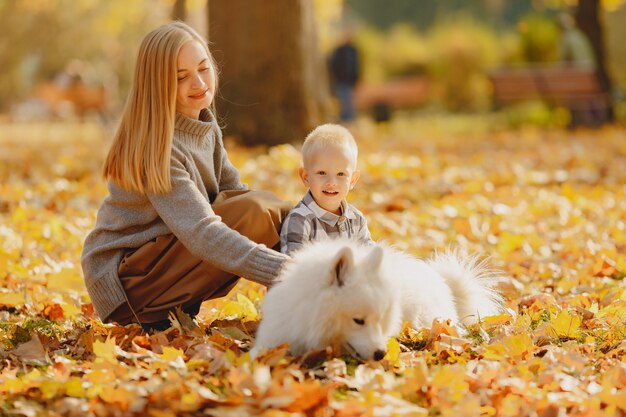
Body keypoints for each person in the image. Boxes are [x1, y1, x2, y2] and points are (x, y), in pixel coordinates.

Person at [81, 22, 292, 332]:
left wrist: (306, 229)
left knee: (267, 209)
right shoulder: (156, 148)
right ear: (157, 84)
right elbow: (203, 232)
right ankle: (153, 315)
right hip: (128, 285)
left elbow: (239, 197)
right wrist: (288, 270)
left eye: (203, 68)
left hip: (160, 265)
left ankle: (310, 293)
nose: (198, 83)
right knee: (255, 211)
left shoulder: (205, 128)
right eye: (181, 77)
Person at [280, 124, 373, 255]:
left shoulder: (356, 219)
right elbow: (295, 268)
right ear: (306, 177)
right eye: (322, 173)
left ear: (352, 180)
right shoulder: (300, 220)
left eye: (341, 174)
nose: (331, 183)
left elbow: (370, 259)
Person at [329, 34, 360, 122]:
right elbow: (334, 65)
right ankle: (346, 119)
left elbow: (356, 66)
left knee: (349, 100)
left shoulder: (353, 51)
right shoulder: (340, 50)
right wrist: (337, 77)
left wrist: (356, 79)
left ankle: (349, 119)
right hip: (341, 80)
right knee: (344, 100)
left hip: (350, 81)